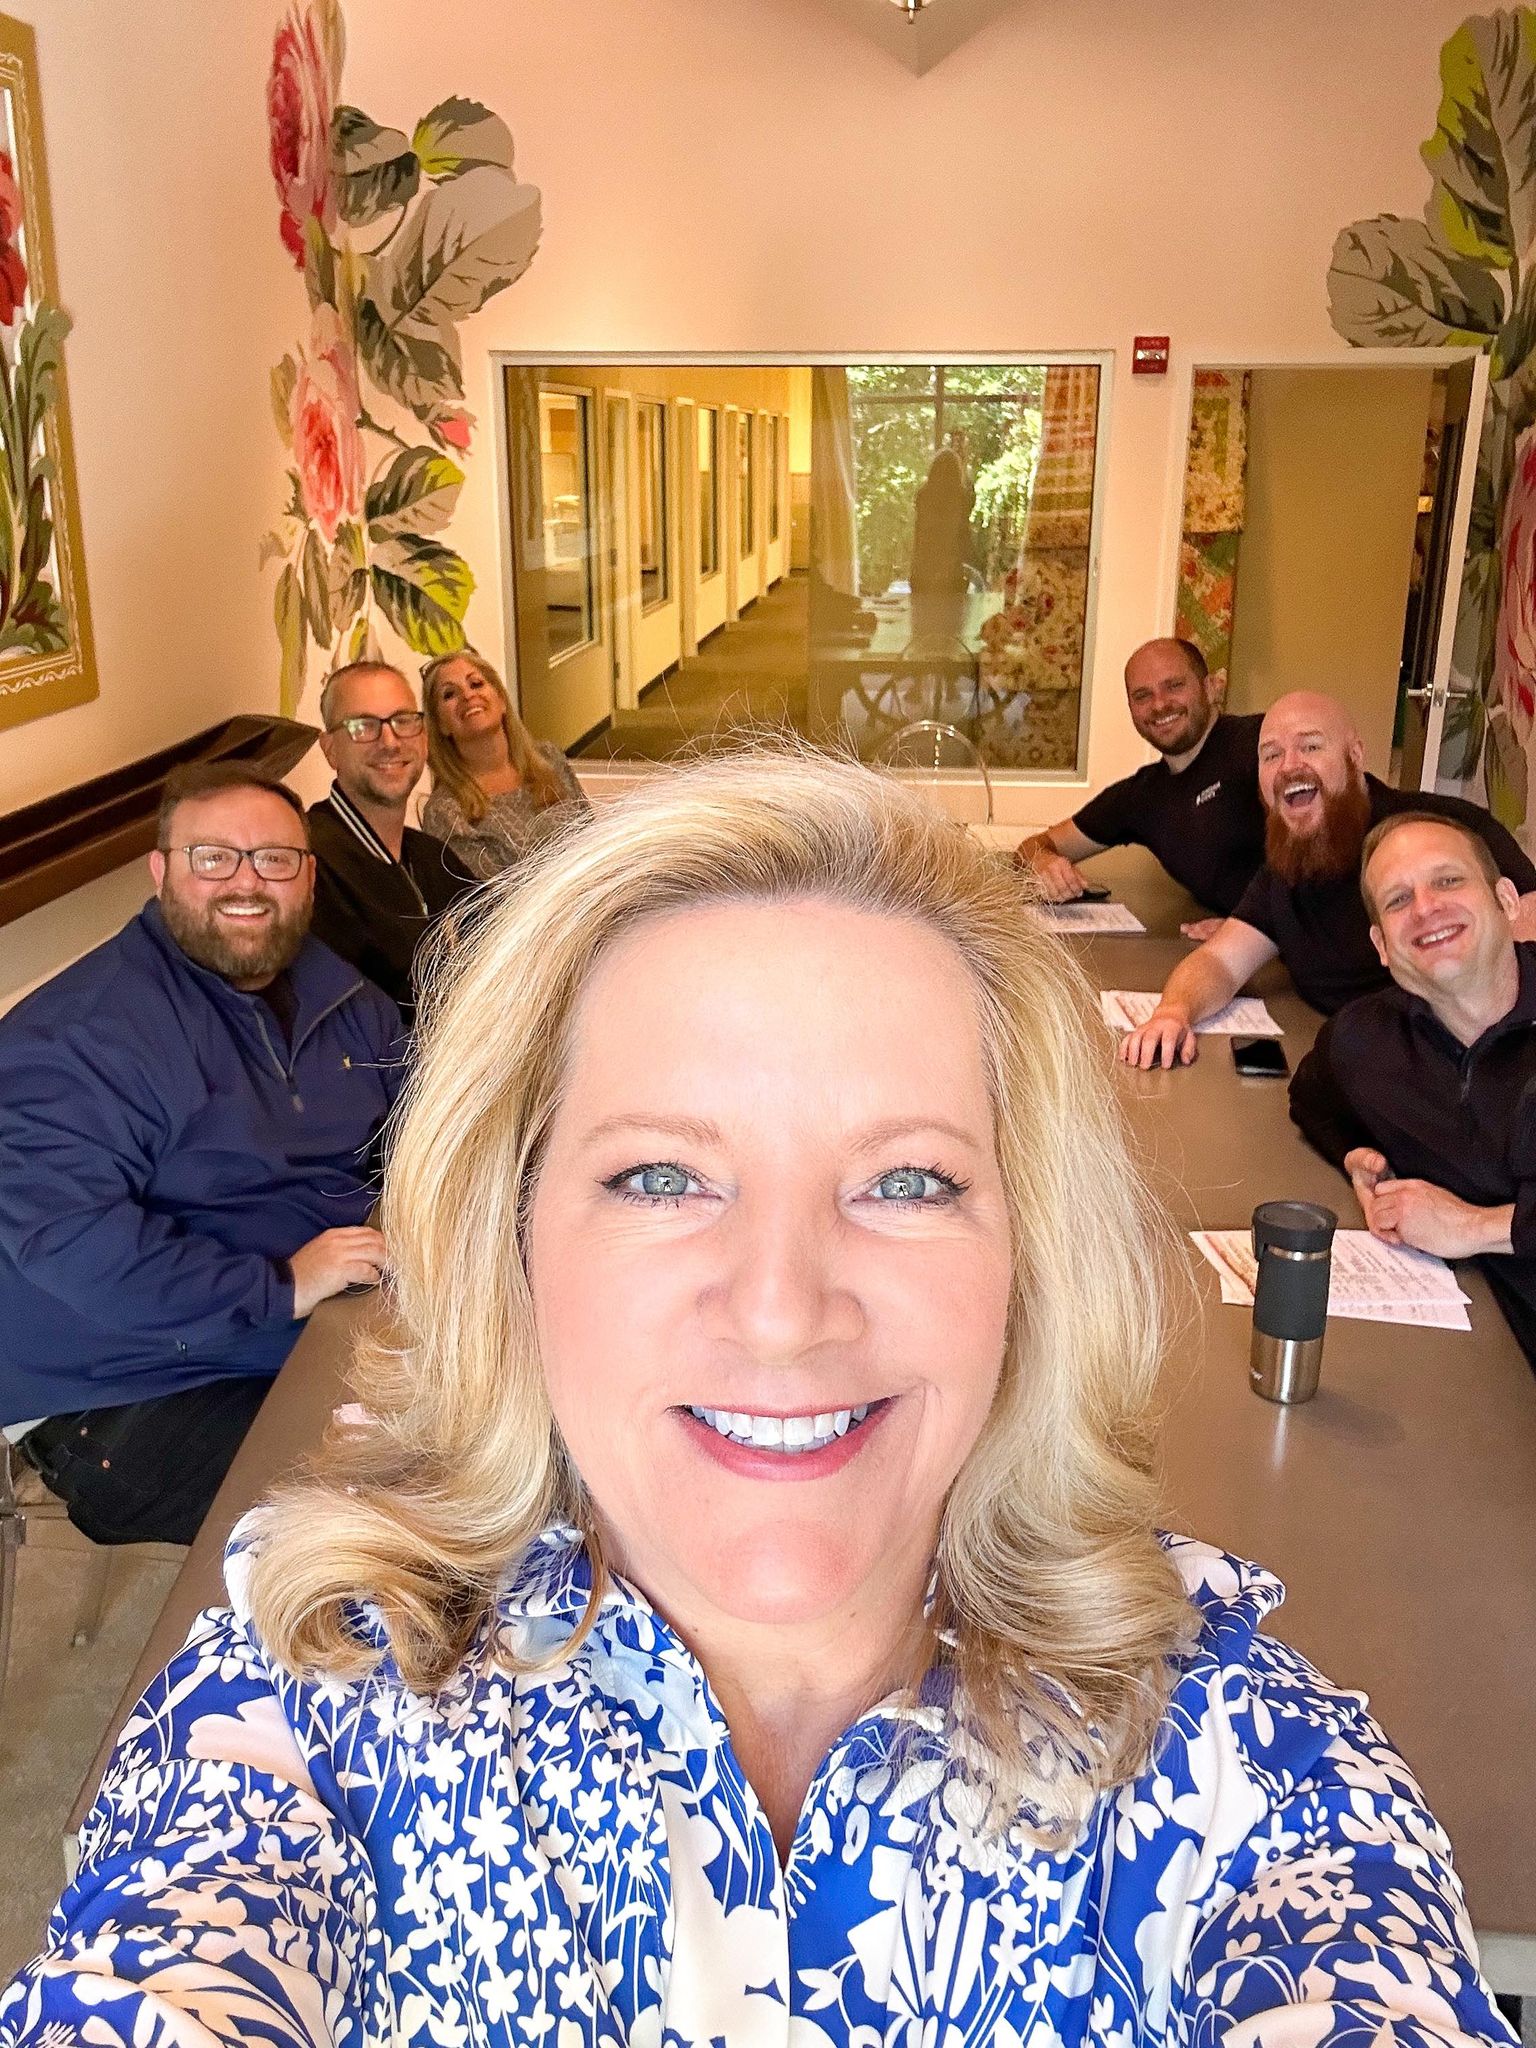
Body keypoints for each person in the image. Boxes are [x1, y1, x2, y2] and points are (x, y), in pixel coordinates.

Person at [1, 752, 1513, 2047]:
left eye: (908, 1180)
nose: (784, 1308)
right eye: (661, 1174)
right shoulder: (322, 1681)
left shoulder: (1220, 1735)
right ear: (510, 1239)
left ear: (1032, 1255)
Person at [0, 764, 401, 1547]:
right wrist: (282, 1284)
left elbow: (418, 1125)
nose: (245, 883)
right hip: (123, 1388)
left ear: (308, 877)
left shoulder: (343, 997)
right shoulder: (80, 1034)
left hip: (309, 1322)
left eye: (274, 859)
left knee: (521, 1419)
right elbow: (71, 1246)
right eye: (212, 857)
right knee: (396, 1516)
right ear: (161, 871)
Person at [1120, 689, 1536, 1067]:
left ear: (1355, 756)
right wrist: (1173, 1012)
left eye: (1311, 746)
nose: (1289, 766)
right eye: (1270, 755)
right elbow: (1220, 962)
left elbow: (1528, 936)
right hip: (1346, 1066)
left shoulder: (1449, 830)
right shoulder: (1286, 866)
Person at [1290, 811, 1536, 1365]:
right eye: (1398, 900)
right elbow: (1311, 1097)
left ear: (1506, 900)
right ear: (1381, 945)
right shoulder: (1365, 1038)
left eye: (1448, 881)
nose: (1426, 908)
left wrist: (1472, 1227)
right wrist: (1358, 1159)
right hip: (1487, 1363)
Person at [1015, 637, 1266, 937]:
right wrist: (1042, 863)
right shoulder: (1141, 797)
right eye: (1142, 695)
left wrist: (1258, 923)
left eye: (1174, 686)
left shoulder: (1263, 745)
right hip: (1240, 952)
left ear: (1211, 688)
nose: (1159, 704)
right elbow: (1033, 847)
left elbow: (1326, 856)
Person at [308, 659, 476, 1016]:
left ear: (425, 738)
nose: (389, 741)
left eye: (404, 721)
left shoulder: (432, 858)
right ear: (329, 749)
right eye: (363, 726)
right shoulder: (313, 864)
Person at [420, 648, 588, 879]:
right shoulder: (445, 812)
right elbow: (497, 902)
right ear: (441, 725)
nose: (468, 696)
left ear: (501, 701)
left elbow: (593, 840)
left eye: (476, 684)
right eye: (449, 694)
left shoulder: (550, 759)